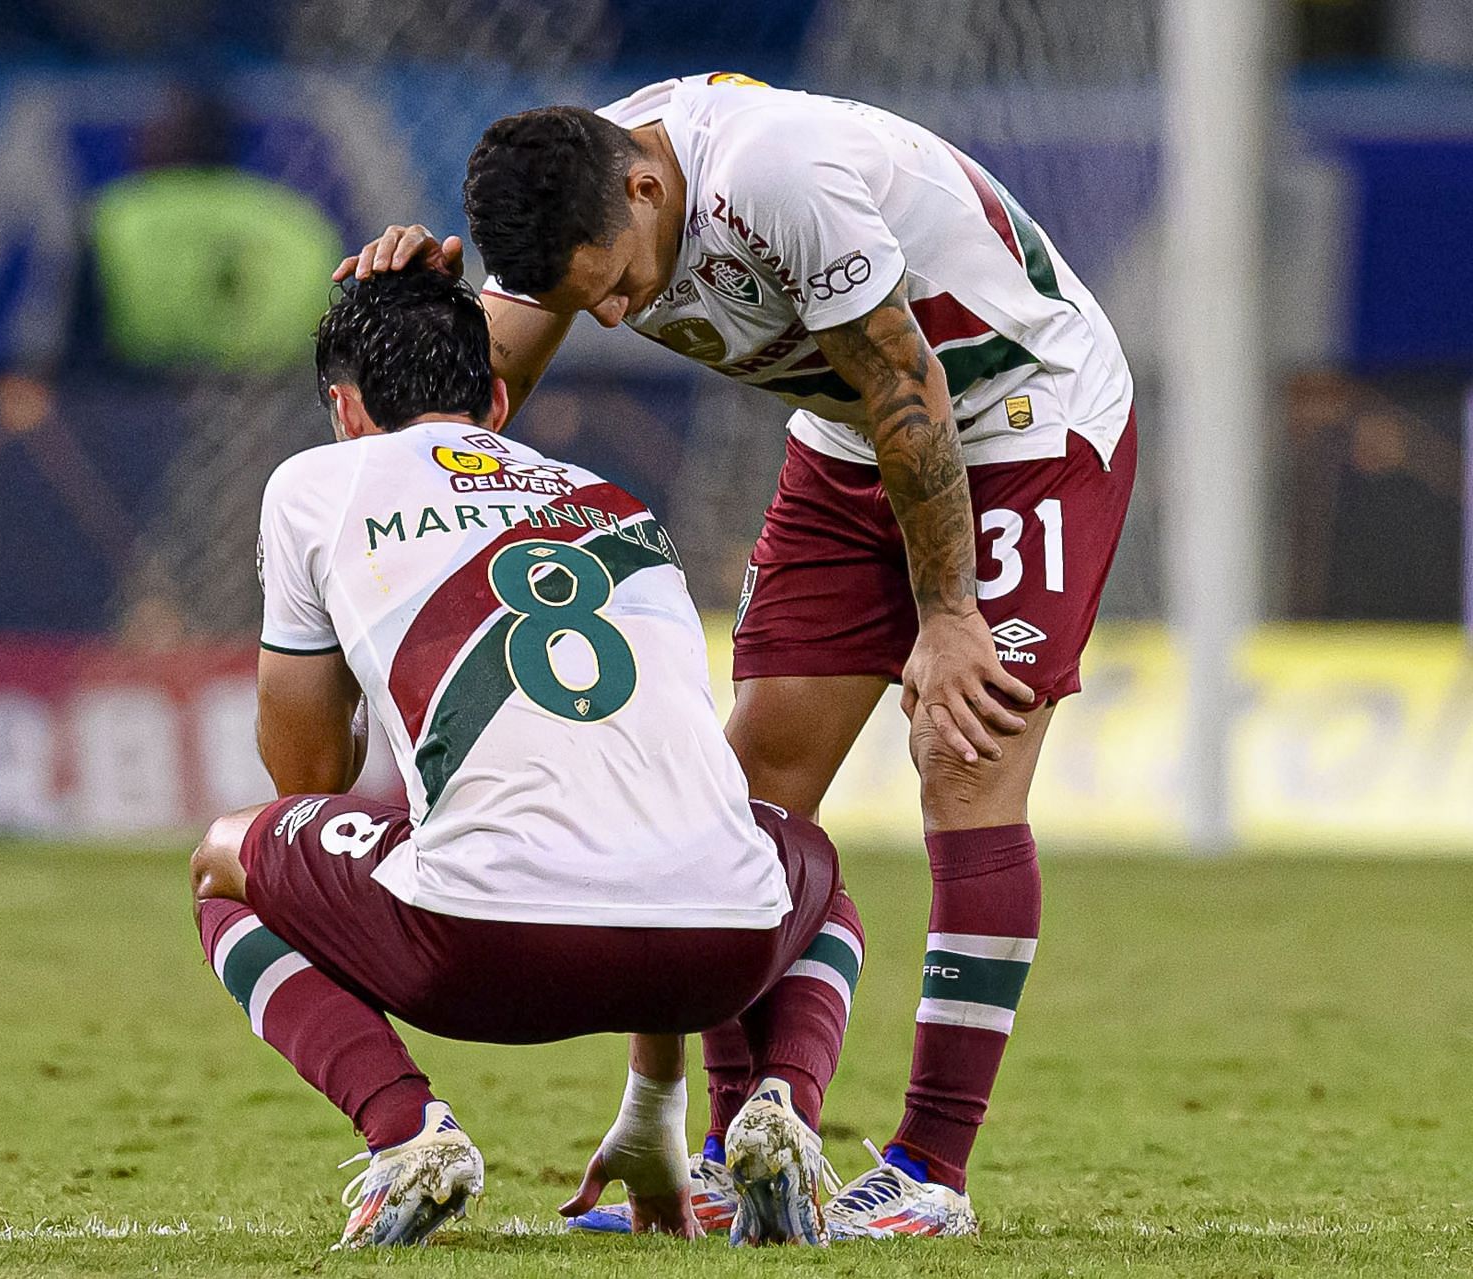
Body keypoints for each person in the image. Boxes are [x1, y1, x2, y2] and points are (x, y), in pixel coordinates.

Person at [334, 72, 1136, 1238]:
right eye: (581, 298)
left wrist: (950, 611)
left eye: (614, 284)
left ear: (651, 186)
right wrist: (398, 321)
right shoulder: (578, 199)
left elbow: (910, 380)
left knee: (965, 750)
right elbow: (470, 409)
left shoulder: (778, 172)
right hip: (856, 432)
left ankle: (929, 1170)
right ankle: (721, 1152)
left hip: (1014, 416)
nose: (611, 317)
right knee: (733, 803)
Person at [189, 264, 866, 1248]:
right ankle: (783, 1105)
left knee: (225, 860)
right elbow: (652, 802)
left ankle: (406, 1130)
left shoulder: (315, 484)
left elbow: (307, 781)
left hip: (480, 950)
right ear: (496, 402)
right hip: (714, 956)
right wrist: (652, 1109)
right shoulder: (621, 506)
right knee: (798, 862)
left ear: (343, 407)